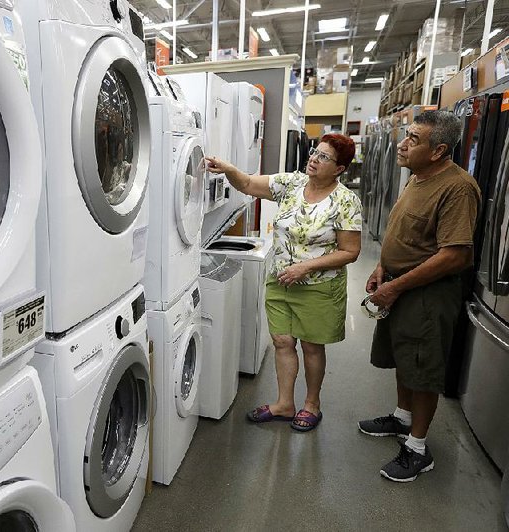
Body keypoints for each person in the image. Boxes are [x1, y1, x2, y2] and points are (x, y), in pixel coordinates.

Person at [205, 134, 362, 432]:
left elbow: (350, 251)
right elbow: (249, 184)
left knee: (312, 348)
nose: (314, 159)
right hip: (281, 281)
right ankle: (284, 404)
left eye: (324, 157)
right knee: (282, 342)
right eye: (315, 152)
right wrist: (228, 169)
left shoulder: (346, 201)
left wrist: (305, 267)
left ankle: (311, 404)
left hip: (319, 286)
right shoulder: (293, 183)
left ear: (339, 168)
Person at [358, 110, 480, 482]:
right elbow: (401, 229)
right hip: (399, 284)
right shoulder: (417, 177)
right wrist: (382, 267)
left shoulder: (457, 188)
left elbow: (454, 255)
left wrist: (396, 285)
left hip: (426, 295)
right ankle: (402, 418)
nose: (402, 143)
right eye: (406, 135)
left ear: (439, 149)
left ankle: (417, 449)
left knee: (423, 369)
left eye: (413, 139)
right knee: (405, 358)